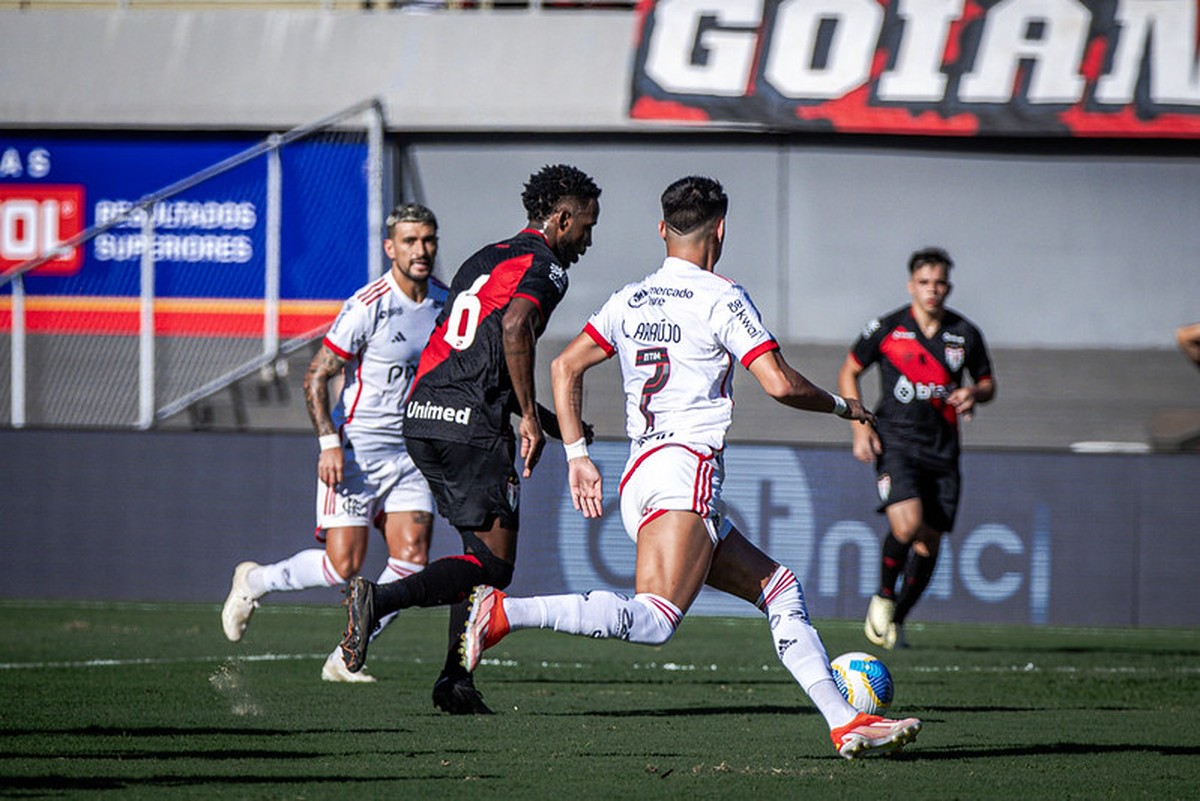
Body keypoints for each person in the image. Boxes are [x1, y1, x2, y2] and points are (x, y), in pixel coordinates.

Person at [460, 176, 922, 759]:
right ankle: (504, 611)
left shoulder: (631, 298)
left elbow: (564, 367)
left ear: (662, 230)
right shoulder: (721, 296)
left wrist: (577, 456)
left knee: (779, 589)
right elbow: (778, 383)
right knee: (655, 619)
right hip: (685, 469)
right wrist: (843, 407)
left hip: (643, 474)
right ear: (721, 230)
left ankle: (843, 720)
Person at [339, 164, 602, 714]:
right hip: (470, 425)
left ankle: (455, 682)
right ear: (562, 218)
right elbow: (513, 332)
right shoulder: (546, 266)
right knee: (493, 567)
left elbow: (478, 357)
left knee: (474, 553)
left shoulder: (484, 258)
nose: (588, 240)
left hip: (422, 414)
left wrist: (546, 420)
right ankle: (378, 599)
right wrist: (530, 418)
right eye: (586, 226)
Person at [221, 203, 447, 683]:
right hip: (358, 451)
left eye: (428, 240)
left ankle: (346, 656)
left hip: (411, 453)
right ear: (391, 248)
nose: (421, 250)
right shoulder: (368, 305)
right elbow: (317, 375)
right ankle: (254, 580)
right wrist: (328, 442)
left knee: (412, 559)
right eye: (410, 241)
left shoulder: (443, 306)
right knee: (343, 565)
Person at [837, 246, 995, 650]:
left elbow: (987, 383)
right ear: (911, 285)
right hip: (897, 444)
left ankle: (896, 620)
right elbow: (850, 370)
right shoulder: (888, 328)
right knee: (906, 526)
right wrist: (860, 427)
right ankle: (884, 597)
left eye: (940, 283)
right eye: (925, 282)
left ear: (949, 287)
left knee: (929, 542)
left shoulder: (965, 333)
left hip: (943, 450)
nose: (933, 290)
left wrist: (973, 393)